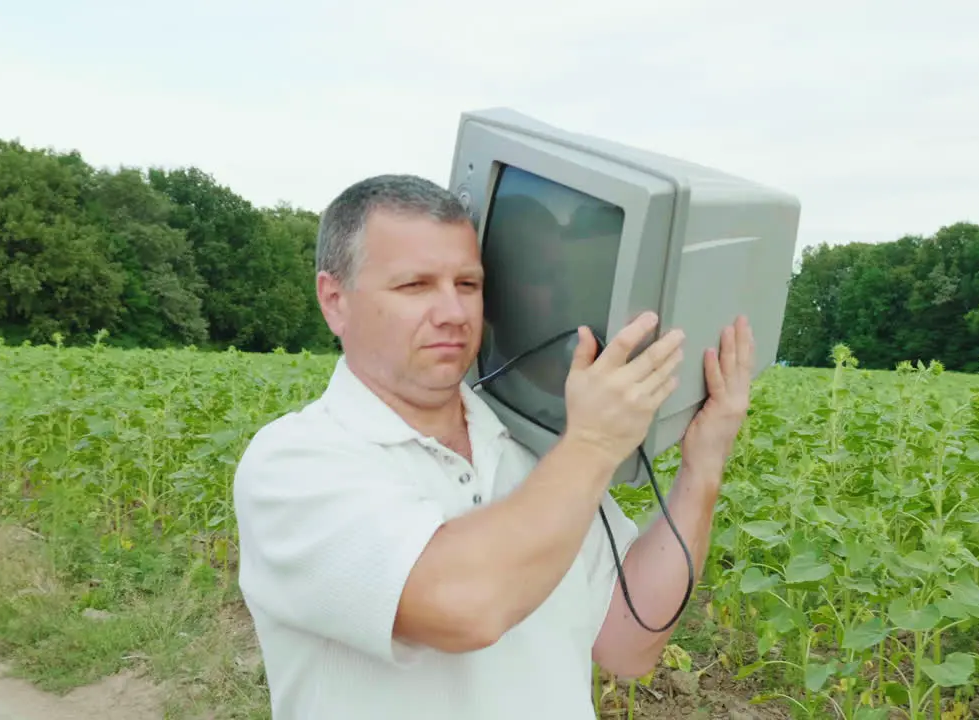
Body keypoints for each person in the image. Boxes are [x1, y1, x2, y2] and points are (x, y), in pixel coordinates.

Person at [232, 174, 755, 719]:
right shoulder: (294, 464)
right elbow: (465, 606)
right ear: (334, 300)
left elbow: (630, 641)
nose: (453, 313)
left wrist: (703, 466)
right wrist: (595, 441)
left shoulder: (533, 446)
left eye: (467, 284)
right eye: (414, 286)